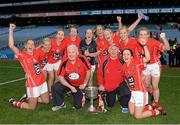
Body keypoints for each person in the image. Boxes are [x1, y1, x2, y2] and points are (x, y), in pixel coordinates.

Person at [8, 24, 49, 110]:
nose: (30, 45)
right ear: (25, 46)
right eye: (29, 44)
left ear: (34, 47)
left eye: (32, 44)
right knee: (31, 108)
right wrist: (11, 30)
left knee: (46, 101)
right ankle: (14, 102)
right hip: (33, 84)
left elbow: (44, 47)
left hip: (42, 81)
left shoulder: (36, 52)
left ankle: (27, 97)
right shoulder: (22, 55)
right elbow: (11, 45)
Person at [122, 44, 166, 119]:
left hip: (140, 93)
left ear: (131, 57)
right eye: (124, 54)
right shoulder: (123, 66)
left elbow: (147, 58)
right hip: (133, 92)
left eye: (128, 54)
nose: (125, 56)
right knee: (131, 112)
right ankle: (149, 107)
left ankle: (157, 111)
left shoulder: (136, 63)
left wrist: (145, 45)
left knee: (137, 116)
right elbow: (126, 79)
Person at [51, 44, 91, 111]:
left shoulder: (82, 59)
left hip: (80, 85)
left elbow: (88, 71)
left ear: (76, 53)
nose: (71, 54)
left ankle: (79, 95)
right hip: (69, 82)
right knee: (55, 86)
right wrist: (70, 87)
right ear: (67, 53)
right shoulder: (64, 62)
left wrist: (84, 84)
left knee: (78, 106)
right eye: (69, 52)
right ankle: (60, 104)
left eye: (73, 52)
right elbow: (60, 77)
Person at [137, 27, 170, 108]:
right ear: (138, 35)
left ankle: (155, 102)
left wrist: (164, 38)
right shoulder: (136, 42)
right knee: (147, 85)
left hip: (155, 65)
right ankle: (151, 94)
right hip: (145, 66)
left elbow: (167, 48)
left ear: (148, 35)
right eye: (141, 34)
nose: (143, 36)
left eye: (145, 34)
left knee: (155, 86)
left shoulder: (154, 42)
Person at [98, 44, 131, 113]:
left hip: (119, 84)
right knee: (110, 104)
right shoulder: (104, 62)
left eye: (115, 49)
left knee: (127, 93)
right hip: (109, 86)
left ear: (118, 51)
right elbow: (100, 74)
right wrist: (101, 85)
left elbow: (127, 73)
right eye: (111, 49)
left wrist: (128, 84)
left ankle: (123, 104)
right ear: (109, 51)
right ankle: (112, 97)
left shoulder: (122, 61)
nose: (113, 51)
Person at [46, 29, 66, 96]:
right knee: (51, 77)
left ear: (63, 36)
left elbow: (64, 53)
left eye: (62, 35)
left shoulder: (64, 44)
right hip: (49, 62)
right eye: (59, 34)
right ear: (56, 35)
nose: (60, 36)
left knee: (57, 77)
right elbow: (42, 46)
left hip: (57, 61)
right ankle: (50, 92)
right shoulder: (51, 41)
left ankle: (54, 90)